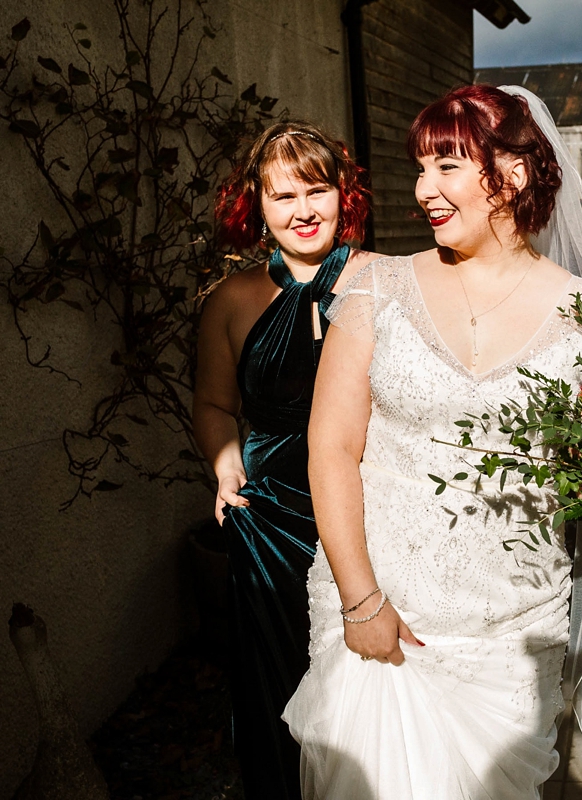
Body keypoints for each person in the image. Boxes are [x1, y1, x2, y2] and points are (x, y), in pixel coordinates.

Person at [281, 85, 582, 799]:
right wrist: (362, 601)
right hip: (382, 612)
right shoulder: (377, 291)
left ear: (513, 174)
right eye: (420, 169)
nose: (425, 189)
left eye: (447, 167)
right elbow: (330, 449)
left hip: (512, 627)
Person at [193, 121, 381, 799]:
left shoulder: (384, 281)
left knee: (368, 681)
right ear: (257, 207)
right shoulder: (233, 300)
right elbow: (213, 404)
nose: (303, 210)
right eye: (283, 196)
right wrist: (225, 466)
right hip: (269, 515)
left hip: (369, 507)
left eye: (316, 189)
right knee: (280, 680)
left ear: (343, 193)